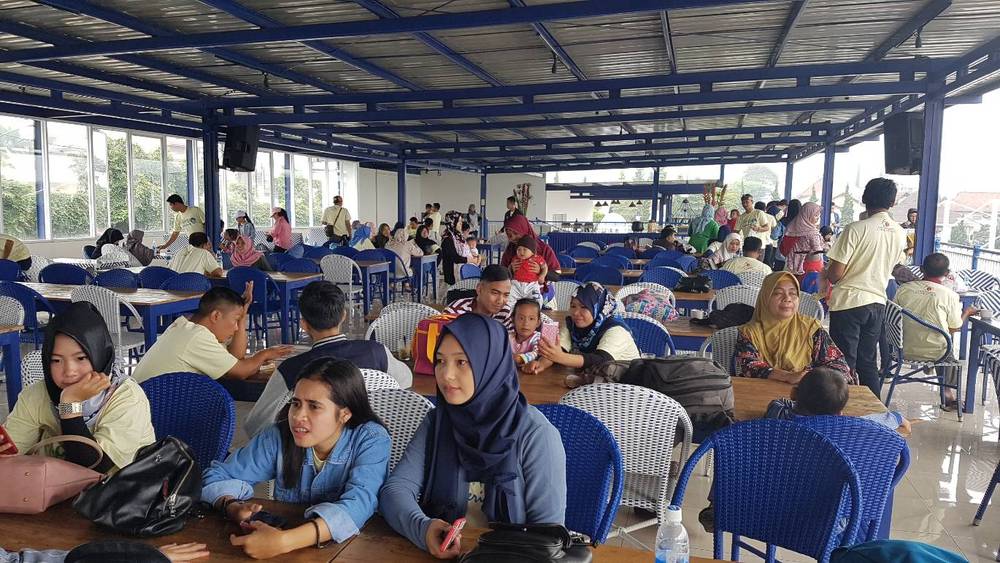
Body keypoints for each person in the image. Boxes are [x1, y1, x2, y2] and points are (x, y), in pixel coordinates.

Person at [379, 314, 567, 558]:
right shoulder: (438, 422)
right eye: (440, 361)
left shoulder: (536, 435)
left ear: (491, 365)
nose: (446, 374)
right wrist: (423, 528)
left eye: (461, 362)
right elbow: (395, 491)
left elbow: (548, 537)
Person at [204, 358, 390, 558]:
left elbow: (361, 502)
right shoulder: (278, 436)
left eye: (314, 406)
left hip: (355, 551)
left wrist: (285, 541)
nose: (297, 416)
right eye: (296, 403)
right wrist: (232, 506)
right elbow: (218, 475)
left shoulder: (371, 439)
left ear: (344, 414)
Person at [0, 302, 155, 473]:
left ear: (99, 355)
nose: (69, 371)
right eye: (56, 360)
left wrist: (70, 404)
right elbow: (12, 452)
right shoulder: (37, 394)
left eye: (81, 358)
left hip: (117, 487)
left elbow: (96, 467)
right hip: (53, 486)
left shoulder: (127, 397)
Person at [244, 281, 413, 437]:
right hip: (368, 441)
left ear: (304, 324)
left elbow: (256, 425)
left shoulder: (291, 369)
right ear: (343, 316)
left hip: (311, 450)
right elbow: (406, 380)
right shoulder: (376, 352)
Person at [826, 178, 907, 397]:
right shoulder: (900, 233)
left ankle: (842, 408)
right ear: (892, 202)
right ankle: (874, 409)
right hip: (877, 303)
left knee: (843, 362)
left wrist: (827, 273)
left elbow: (835, 274)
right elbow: (894, 266)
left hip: (849, 302)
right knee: (868, 361)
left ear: (864, 199)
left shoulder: (855, 229)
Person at [132, 286, 293, 384]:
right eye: (235, 320)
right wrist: (264, 354)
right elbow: (240, 371)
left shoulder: (186, 327)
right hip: (151, 410)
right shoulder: (196, 337)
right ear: (216, 316)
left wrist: (242, 315)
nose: (236, 328)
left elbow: (235, 357)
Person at [893, 253, 978, 409]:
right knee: (946, 348)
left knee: (939, 341)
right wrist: (967, 312)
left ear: (921, 269)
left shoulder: (904, 289)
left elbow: (893, 317)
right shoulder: (950, 295)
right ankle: (948, 394)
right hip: (936, 354)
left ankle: (938, 380)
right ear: (947, 273)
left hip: (902, 349)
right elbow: (954, 327)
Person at [736, 271, 853, 384]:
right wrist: (786, 376)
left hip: (806, 391)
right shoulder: (750, 332)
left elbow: (839, 365)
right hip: (761, 392)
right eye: (778, 293)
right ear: (765, 298)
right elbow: (748, 365)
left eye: (793, 293)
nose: (787, 298)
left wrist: (808, 377)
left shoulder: (811, 328)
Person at [527, 282, 640, 374]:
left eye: (584, 307)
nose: (576, 313)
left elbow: (602, 360)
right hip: (596, 380)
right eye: (573, 306)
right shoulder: (572, 324)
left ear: (599, 308)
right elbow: (559, 348)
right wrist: (541, 364)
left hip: (628, 384)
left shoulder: (616, 329)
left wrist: (560, 357)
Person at [765, 367, 910, 433]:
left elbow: (778, 403)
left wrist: (796, 400)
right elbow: (872, 422)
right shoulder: (843, 427)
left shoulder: (778, 415)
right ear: (839, 413)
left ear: (793, 394)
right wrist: (897, 418)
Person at [500, 214, 560, 299]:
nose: (512, 238)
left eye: (516, 233)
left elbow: (557, 276)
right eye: (509, 235)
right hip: (515, 295)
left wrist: (541, 272)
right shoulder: (510, 251)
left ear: (524, 230)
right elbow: (501, 275)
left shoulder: (544, 249)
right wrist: (510, 270)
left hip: (542, 294)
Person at [444, 264, 514, 329]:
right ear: (479, 289)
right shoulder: (455, 312)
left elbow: (511, 337)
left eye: (506, 295)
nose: (500, 301)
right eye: (495, 293)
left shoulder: (505, 313)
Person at [781, 202, 826, 278]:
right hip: (810, 267)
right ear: (807, 215)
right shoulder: (812, 232)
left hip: (791, 265)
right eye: (815, 215)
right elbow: (817, 250)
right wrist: (826, 247)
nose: (818, 218)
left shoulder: (792, 226)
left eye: (819, 215)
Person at [508, 236, 547, 304]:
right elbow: (509, 268)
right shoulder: (515, 258)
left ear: (532, 252)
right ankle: (508, 309)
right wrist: (511, 268)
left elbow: (545, 267)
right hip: (516, 284)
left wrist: (542, 275)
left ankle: (535, 309)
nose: (521, 252)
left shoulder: (537, 258)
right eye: (519, 249)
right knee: (509, 296)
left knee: (536, 299)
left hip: (532, 284)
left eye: (524, 249)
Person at [510, 298, 546, 368]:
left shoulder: (538, 338)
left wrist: (521, 358)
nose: (525, 323)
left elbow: (537, 352)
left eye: (531, 319)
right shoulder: (508, 337)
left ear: (538, 323)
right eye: (521, 318)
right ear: (513, 320)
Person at [440, 214, 472, 286]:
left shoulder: (458, 236)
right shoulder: (447, 238)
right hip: (452, 273)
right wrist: (469, 260)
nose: (461, 224)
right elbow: (455, 258)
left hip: (461, 270)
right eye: (459, 222)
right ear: (453, 223)